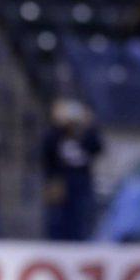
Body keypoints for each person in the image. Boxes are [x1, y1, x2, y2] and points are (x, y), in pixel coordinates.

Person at [42, 99, 103, 241]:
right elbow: (47, 151)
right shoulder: (56, 134)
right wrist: (57, 126)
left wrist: (88, 126)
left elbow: (97, 148)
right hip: (60, 183)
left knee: (81, 222)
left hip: (81, 183)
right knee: (57, 222)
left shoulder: (85, 133)